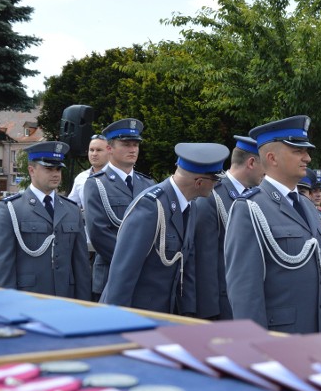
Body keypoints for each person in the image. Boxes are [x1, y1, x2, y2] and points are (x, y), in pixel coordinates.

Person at [224, 116, 321, 333]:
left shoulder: (307, 205)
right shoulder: (250, 208)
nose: (308, 158)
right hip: (280, 337)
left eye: (306, 151)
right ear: (272, 158)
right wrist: (258, 348)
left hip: (318, 334)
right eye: (298, 151)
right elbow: (245, 293)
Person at [100, 143, 229, 313]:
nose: (216, 186)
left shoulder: (191, 206)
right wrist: (115, 320)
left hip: (166, 313)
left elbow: (186, 265)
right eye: (215, 180)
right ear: (199, 182)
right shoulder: (151, 206)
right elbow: (123, 271)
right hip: (136, 312)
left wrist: (188, 313)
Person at [0, 141, 91, 299]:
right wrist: (7, 305)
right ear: (31, 170)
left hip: (66, 299)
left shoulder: (72, 210)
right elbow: (1, 266)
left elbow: (81, 266)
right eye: (48, 169)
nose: (55, 174)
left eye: (58, 169)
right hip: (27, 300)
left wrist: (84, 306)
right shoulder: (11, 209)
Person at [191, 135, 265, 320]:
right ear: (251, 163)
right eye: (265, 165)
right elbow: (204, 260)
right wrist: (210, 314)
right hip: (223, 306)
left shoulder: (255, 197)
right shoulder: (212, 196)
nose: (268, 173)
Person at [84, 119, 155, 300]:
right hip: (111, 273)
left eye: (135, 144)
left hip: (146, 278)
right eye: (126, 144)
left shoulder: (148, 184)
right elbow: (98, 232)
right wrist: (133, 260)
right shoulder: (97, 184)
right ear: (109, 148)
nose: (132, 149)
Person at [67, 134, 109, 206]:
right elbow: (71, 206)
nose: (94, 154)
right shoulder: (81, 178)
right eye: (91, 150)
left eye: (99, 150)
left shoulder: (118, 175)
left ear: (110, 152)